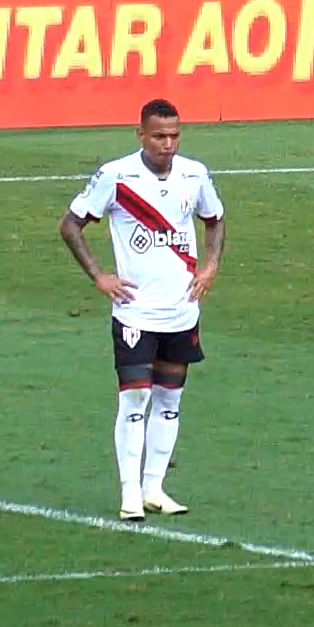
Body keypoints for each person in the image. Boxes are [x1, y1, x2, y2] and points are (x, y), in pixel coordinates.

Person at [57, 98, 226, 521]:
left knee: (170, 398)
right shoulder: (116, 176)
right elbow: (70, 225)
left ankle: (155, 488)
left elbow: (215, 218)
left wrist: (210, 266)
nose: (167, 144)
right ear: (141, 135)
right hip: (135, 312)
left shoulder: (195, 173)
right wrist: (100, 276)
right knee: (136, 398)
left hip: (182, 310)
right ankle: (129, 492)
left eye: (174, 136)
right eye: (159, 136)